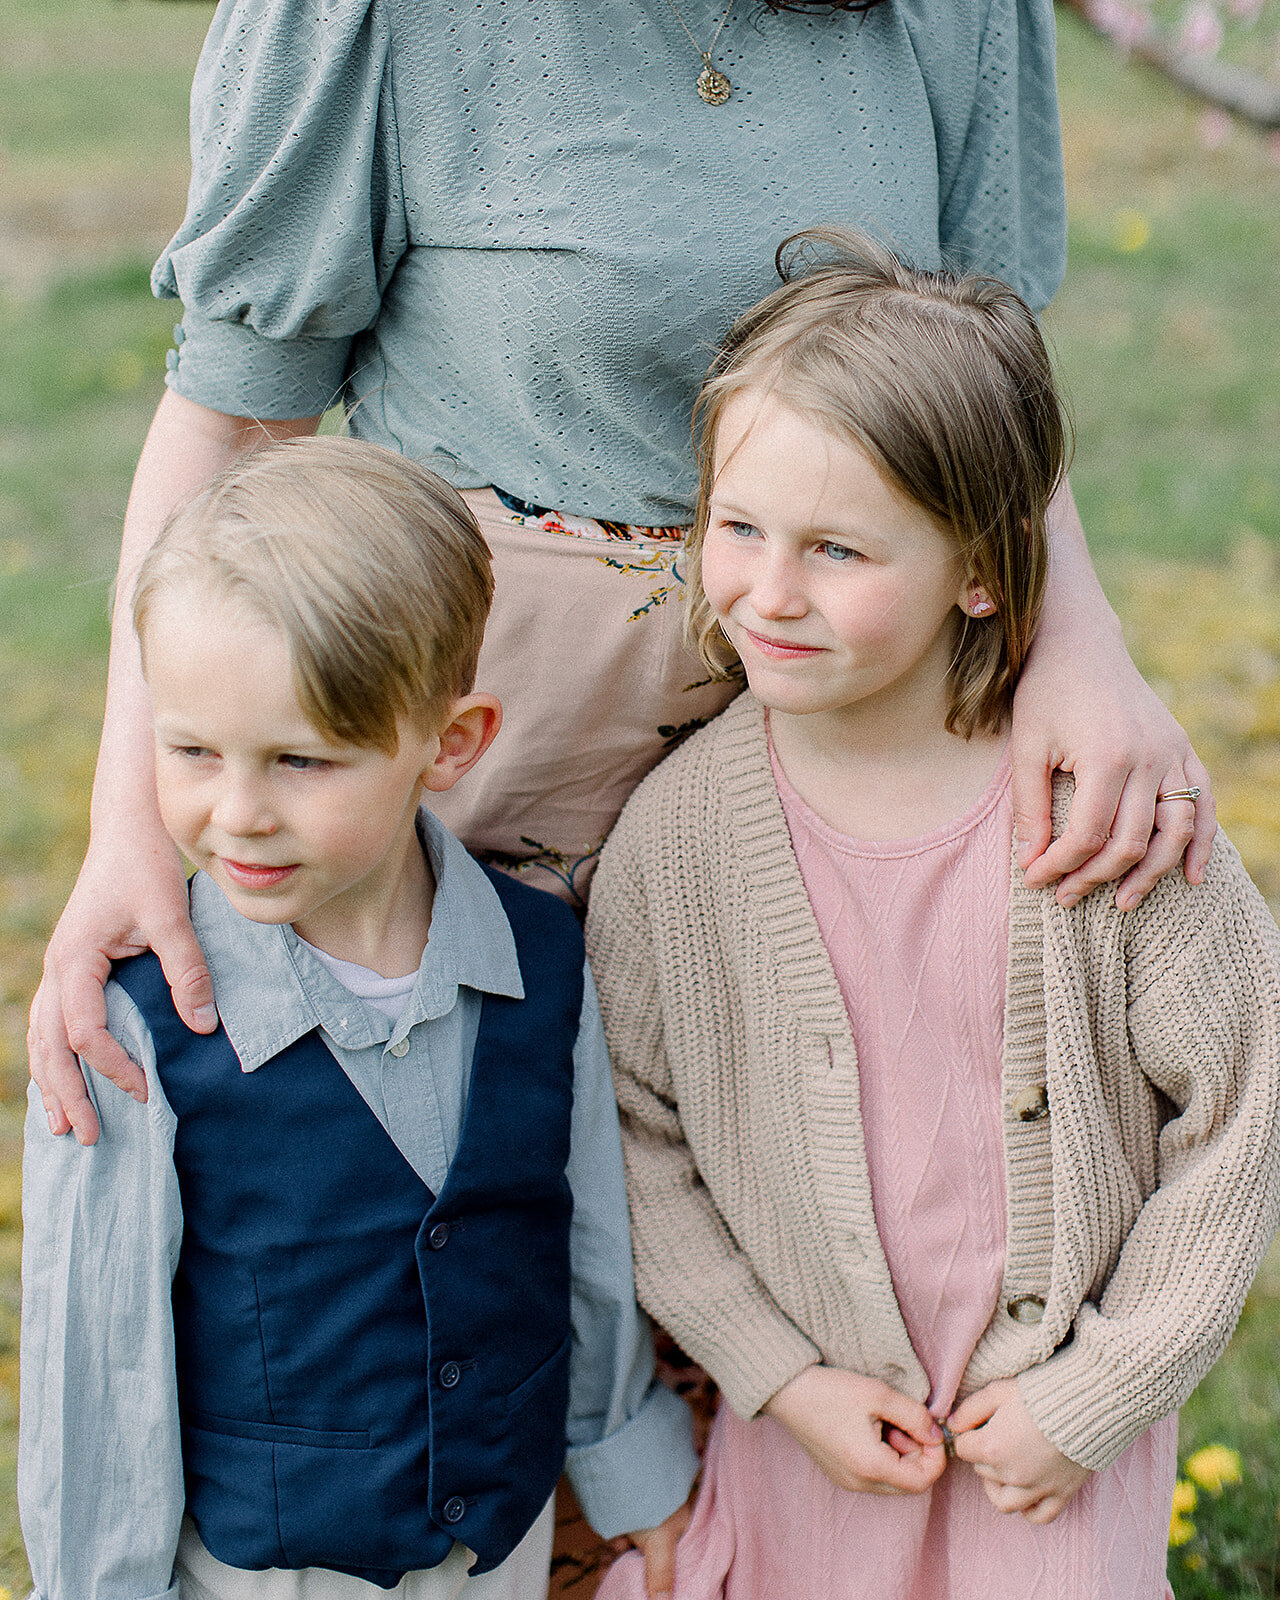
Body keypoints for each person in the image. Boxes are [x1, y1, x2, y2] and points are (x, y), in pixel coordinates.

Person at [29, 0, 1215, 1150]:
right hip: (499, 761)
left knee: (816, 1223)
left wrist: (1074, 639)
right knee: (495, 1246)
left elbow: (978, 372)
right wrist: (129, 822)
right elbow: (236, 422)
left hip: (850, 737)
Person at [584, 233, 1280, 1600]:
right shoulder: (675, 842)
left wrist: (1100, 1394)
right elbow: (629, 1132)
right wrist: (776, 1377)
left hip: (1053, 1453)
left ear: (982, 569)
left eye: (838, 549)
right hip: (818, 1446)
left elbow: (1243, 1111)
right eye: (738, 528)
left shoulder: (1108, 821)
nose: (768, 593)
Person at [18, 439, 697, 1600]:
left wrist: (627, 1472)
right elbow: (103, 1367)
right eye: (190, 751)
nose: (238, 814)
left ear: (449, 744)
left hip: (501, 1548)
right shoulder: (133, 1024)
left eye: (300, 760)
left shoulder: (545, 960)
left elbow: (584, 1244)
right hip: (262, 1574)